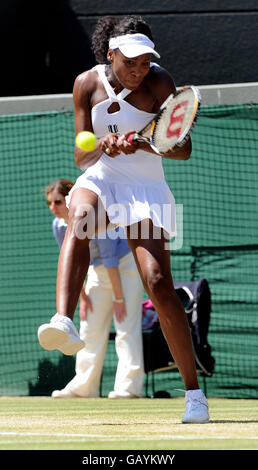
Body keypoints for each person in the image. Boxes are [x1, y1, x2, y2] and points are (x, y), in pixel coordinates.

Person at [38, 15, 209, 423]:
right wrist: (105, 144)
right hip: (102, 180)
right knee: (78, 215)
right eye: (130, 62)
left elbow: (181, 149)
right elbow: (81, 156)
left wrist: (139, 142)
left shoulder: (160, 83)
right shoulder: (86, 84)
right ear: (111, 54)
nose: (139, 70)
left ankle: (194, 395)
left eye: (145, 62)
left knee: (159, 283)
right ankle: (63, 320)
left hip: (146, 190)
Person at [44, 178, 144, 398]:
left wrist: (118, 299)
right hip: (96, 273)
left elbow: (110, 259)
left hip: (124, 268)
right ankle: (83, 387)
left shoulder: (94, 217)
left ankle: (129, 388)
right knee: (89, 329)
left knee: (126, 328)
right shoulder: (59, 226)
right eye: (49, 203)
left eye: (58, 202)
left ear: (71, 200)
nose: (53, 208)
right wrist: (83, 298)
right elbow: (69, 261)